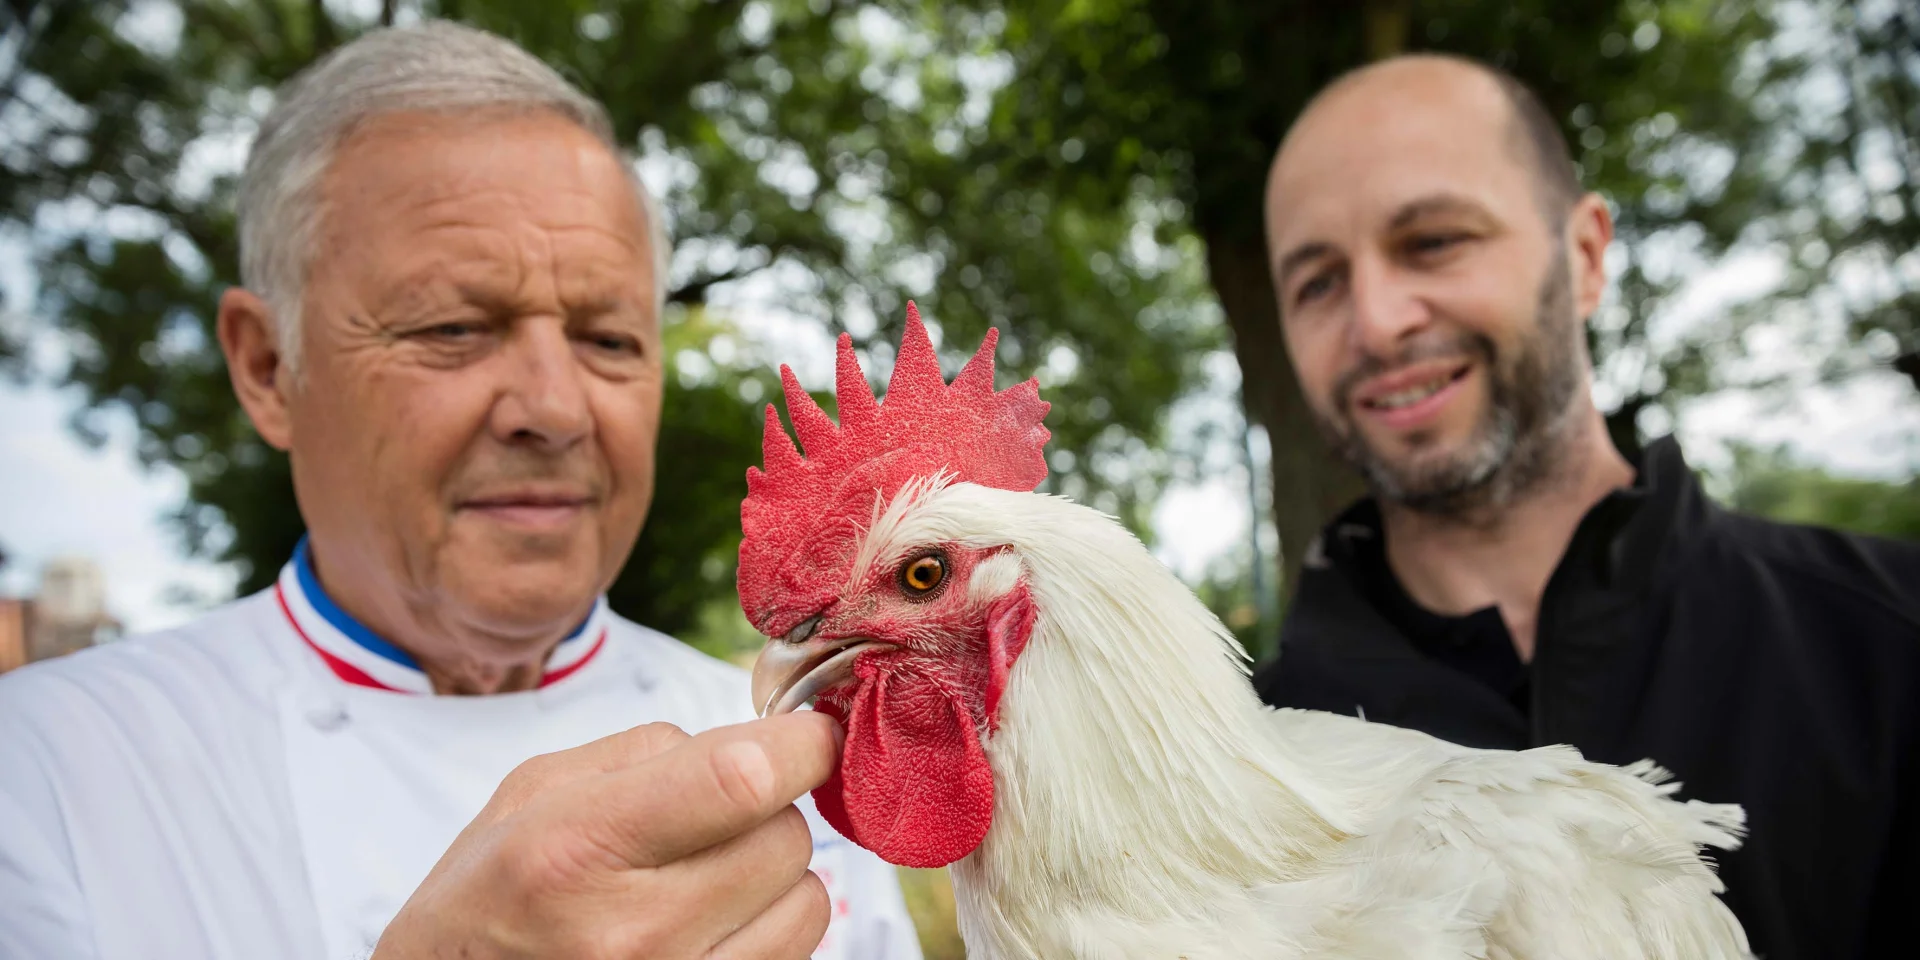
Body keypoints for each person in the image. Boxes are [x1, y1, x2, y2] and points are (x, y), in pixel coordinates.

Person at [0, 22, 919, 960]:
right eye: (450, 328)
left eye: (608, 340)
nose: (555, 410)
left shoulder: (792, 746)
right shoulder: (43, 774)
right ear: (271, 368)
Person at [1250, 52, 1919, 960]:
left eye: (1433, 240)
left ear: (1588, 256)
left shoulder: (1890, 637)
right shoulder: (1246, 769)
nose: (1376, 319)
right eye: (1317, 282)